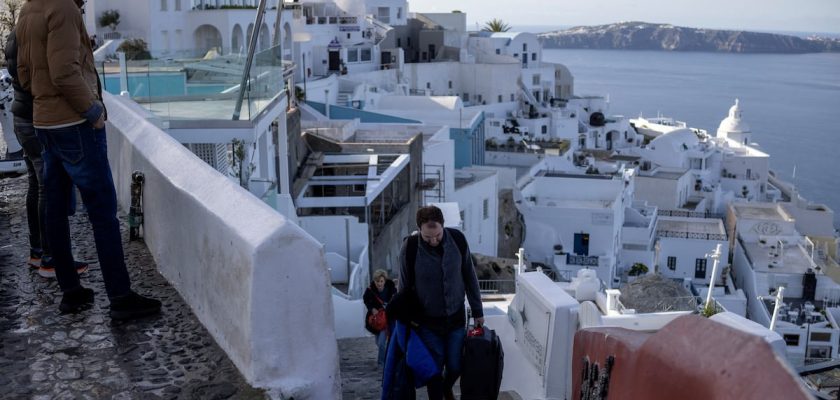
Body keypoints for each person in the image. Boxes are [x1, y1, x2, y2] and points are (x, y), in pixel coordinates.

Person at [15, 0, 161, 320]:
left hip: (44, 123)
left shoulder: (28, 9)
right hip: (74, 125)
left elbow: (24, 74)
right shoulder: (63, 7)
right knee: (103, 213)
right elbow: (64, 71)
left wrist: (46, 100)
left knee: (55, 209)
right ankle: (120, 297)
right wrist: (93, 112)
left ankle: (71, 292)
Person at [4, 30, 90, 279]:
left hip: (20, 116)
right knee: (48, 187)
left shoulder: (16, 33)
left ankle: (37, 251)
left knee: (36, 185)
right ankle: (51, 259)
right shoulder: (35, 32)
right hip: (34, 117)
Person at [398, 205, 484, 400]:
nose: (434, 240)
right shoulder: (410, 248)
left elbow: (470, 277)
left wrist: (478, 311)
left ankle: (447, 388)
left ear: (443, 226)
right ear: (419, 229)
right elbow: (403, 288)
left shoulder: (458, 240)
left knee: (455, 365)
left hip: (455, 319)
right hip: (426, 323)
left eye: (437, 235)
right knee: (434, 371)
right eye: (428, 237)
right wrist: (404, 321)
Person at [364, 269, 396, 369]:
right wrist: (372, 308)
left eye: (381, 281)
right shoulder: (370, 290)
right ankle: (388, 358)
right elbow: (366, 299)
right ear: (374, 281)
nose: (379, 284)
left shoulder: (390, 289)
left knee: (382, 343)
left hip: (386, 319)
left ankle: (382, 363)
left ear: (384, 281)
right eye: (377, 281)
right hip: (376, 320)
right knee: (378, 343)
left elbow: (395, 299)